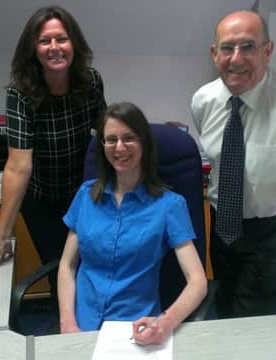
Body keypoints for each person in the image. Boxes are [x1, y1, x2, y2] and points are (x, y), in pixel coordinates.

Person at [191, 10, 276, 325]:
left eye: (248, 47)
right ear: (214, 54)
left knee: (252, 322)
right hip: (222, 226)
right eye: (227, 48)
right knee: (225, 311)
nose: (236, 58)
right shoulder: (203, 100)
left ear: (268, 51)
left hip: (269, 234)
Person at [57, 102, 207, 345]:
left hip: (135, 331)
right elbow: (67, 265)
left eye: (129, 138)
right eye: (111, 139)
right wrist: (67, 322)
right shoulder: (86, 196)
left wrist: (165, 323)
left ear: (144, 144)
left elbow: (198, 281)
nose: (119, 147)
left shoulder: (169, 205)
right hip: (81, 326)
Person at [0, 5, 107, 296]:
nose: (54, 47)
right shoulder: (20, 94)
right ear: (33, 49)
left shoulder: (90, 81)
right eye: (45, 41)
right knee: (61, 272)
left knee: (94, 266)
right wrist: (3, 233)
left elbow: (104, 131)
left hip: (83, 195)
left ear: (74, 44)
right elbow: (18, 166)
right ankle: (66, 333)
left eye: (61, 39)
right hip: (42, 201)